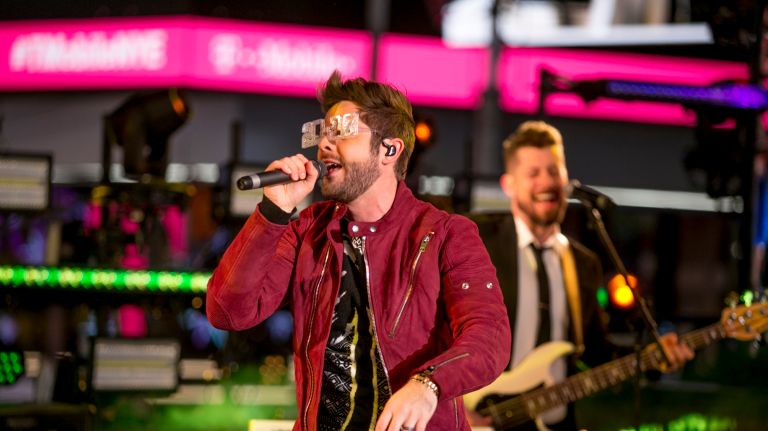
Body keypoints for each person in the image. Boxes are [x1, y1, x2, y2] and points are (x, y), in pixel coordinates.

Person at [206, 71, 511, 431]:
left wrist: (429, 384)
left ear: (389, 150)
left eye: (343, 132)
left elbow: (489, 337)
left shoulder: (445, 234)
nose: (325, 145)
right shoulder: (308, 230)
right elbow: (228, 312)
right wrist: (272, 213)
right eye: (323, 133)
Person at [469, 120, 694, 430]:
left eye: (554, 171)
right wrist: (450, 405)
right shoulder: (478, 241)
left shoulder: (583, 263)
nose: (546, 182)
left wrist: (652, 358)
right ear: (509, 185)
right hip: (476, 417)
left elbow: (597, 351)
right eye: (533, 173)